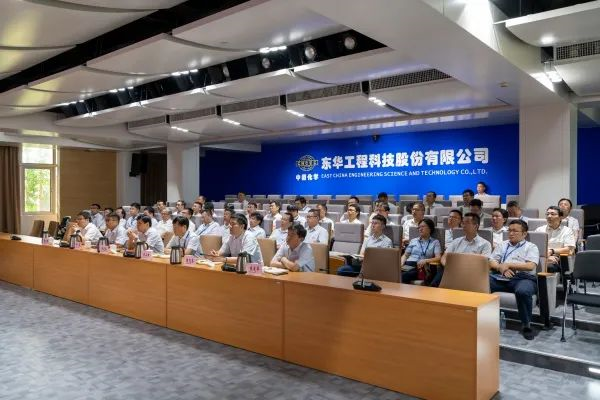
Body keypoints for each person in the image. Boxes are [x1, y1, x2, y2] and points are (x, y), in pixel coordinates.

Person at [489, 220, 539, 340]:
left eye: (515, 231)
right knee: (481, 282)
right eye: (509, 230)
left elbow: (530, 266)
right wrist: (501, 268)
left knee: (523, 291)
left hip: (524, 278)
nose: (511, 233)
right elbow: (492, 261)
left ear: (524, 234)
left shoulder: (531, 247)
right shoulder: (502, 245)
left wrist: (508, 265)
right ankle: (483, 318)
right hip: (502, 277)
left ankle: (526, 325)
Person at [435, 213, 492, 287]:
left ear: (476, 226)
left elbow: (483, 264)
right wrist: (447, 266)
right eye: (463, 223)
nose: (463, 225)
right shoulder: (456, 241)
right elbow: (444, 257)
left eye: (467, 222)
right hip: (452, 271)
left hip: (472, 275)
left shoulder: (485, 244)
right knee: (440, 274)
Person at [401, 218, 442, 284]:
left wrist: (426, 260)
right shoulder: (413, 240)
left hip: (421, 266)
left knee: (404, 275)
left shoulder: (435, 242)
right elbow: (405, 255)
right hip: (408, 264)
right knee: (397, 272)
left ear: (430, 228)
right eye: (419, 227)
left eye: (423, 226)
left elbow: (438, 258)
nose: (420, 229)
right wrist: (401, 263)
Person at [535, 206, 575, 273]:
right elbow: (534, 247)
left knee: (550, 267)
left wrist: (552, 251)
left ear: (560, 217)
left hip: (558, 260)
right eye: (547, 214)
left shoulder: (567, 231)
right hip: (540, 258)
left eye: (552, 214)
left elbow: (569, 249)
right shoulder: (539, 230)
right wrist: (546, 257)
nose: (549, 216)